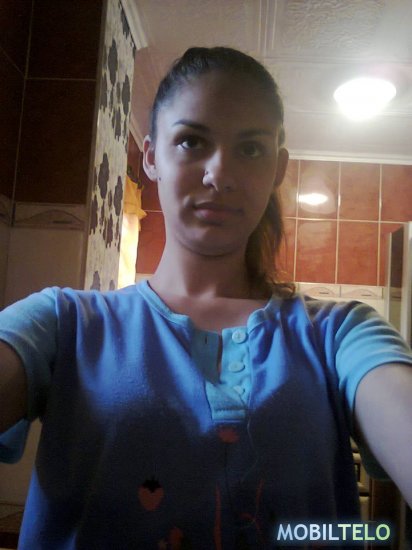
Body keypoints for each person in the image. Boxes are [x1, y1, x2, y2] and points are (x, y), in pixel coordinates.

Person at [0, 46, 411, 549]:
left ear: (277, 169)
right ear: (152, 156)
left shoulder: (342, 333)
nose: (221, 175)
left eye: (251, 149)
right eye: (192, 141)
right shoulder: (63, 323)